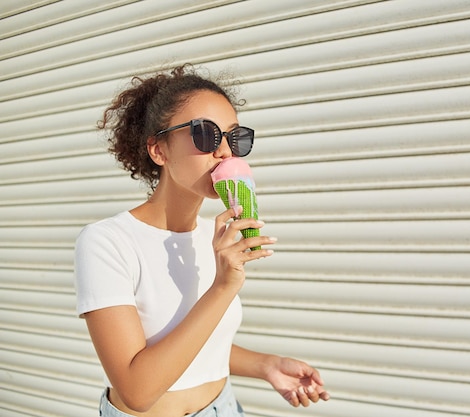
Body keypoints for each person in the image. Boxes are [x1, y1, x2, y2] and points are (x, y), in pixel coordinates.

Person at [74, 64, 330, 416]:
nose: (225, 151)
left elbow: (200, 346)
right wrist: (223, 287)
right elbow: (137, 391)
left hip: (224, 407)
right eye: (205, 135)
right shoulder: (107, 242)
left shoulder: (215, 235)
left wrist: (266, 365)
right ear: (159, 150)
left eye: (235, 138)